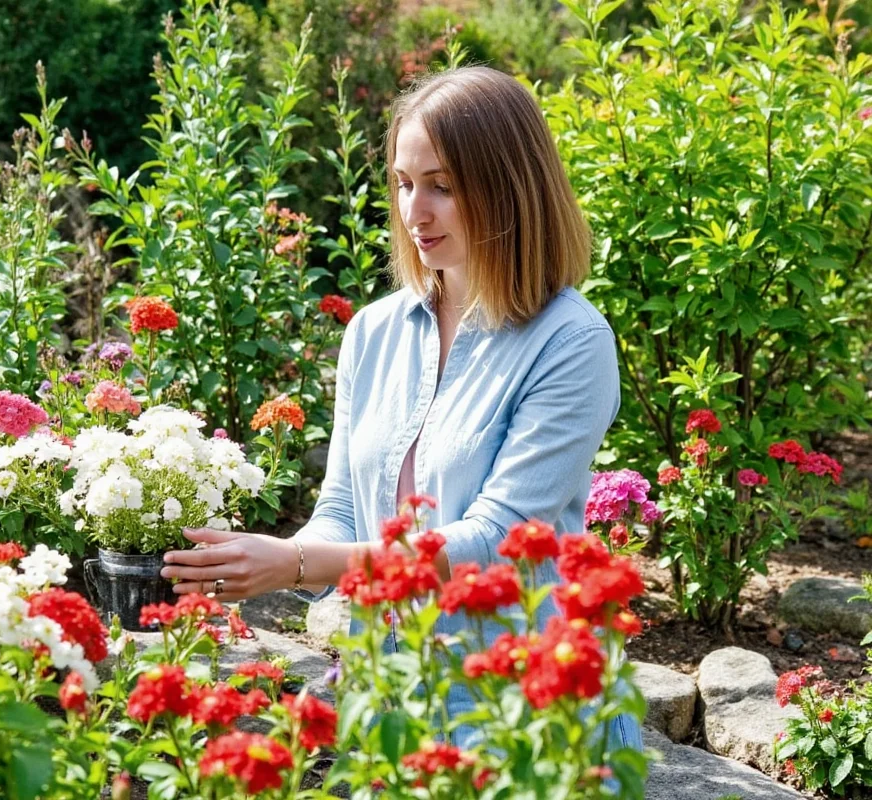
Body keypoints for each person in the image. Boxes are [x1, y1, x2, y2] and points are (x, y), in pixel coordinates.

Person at [160, 66, 642, 751]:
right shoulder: (374, 331)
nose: (416, 212)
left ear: (508, 188)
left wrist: (294, 567)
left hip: (527, 716)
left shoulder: (571, 342)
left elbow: (490, 545)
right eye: (404, 183)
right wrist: (249, 560)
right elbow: (346, 510)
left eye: (443, 187)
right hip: (398, 699)